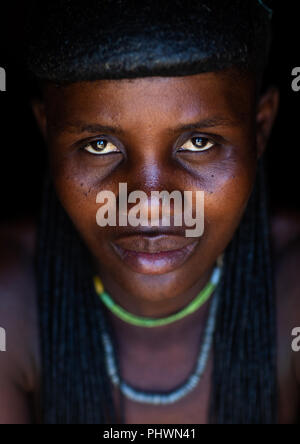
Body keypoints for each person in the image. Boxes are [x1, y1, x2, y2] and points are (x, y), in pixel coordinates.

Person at [0, 0, 299, 424]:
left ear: (260, 128)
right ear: (46, 132)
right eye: (99, 145)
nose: (149, 201)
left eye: (198, 142)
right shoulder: (9, 302)